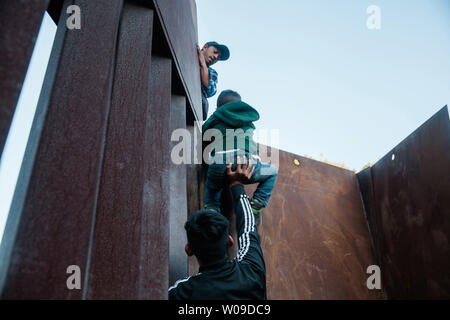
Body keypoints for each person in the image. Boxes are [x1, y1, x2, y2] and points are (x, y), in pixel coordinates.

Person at [169, 157, 266, 300]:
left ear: (188, 250)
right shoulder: (251, 271)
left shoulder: (180, 293)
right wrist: (237, 184)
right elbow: (248, 228)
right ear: (230, 241)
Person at [202, 90, 278, 225]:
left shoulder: (216, 116)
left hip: (219, 160)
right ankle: (257, 203)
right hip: (246, 162)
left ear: (218, 107)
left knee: (212, 187)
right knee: (272, 171)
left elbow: (203, 134)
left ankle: (212, 210)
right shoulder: (248, 120)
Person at [196, 41, 230, 120]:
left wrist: (203, 64)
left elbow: (210, 90)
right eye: (215, 52)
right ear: (205, 47)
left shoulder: (212, 72)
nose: (215, 56)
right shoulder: (189, 54)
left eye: (218, 57)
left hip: (196, 109)